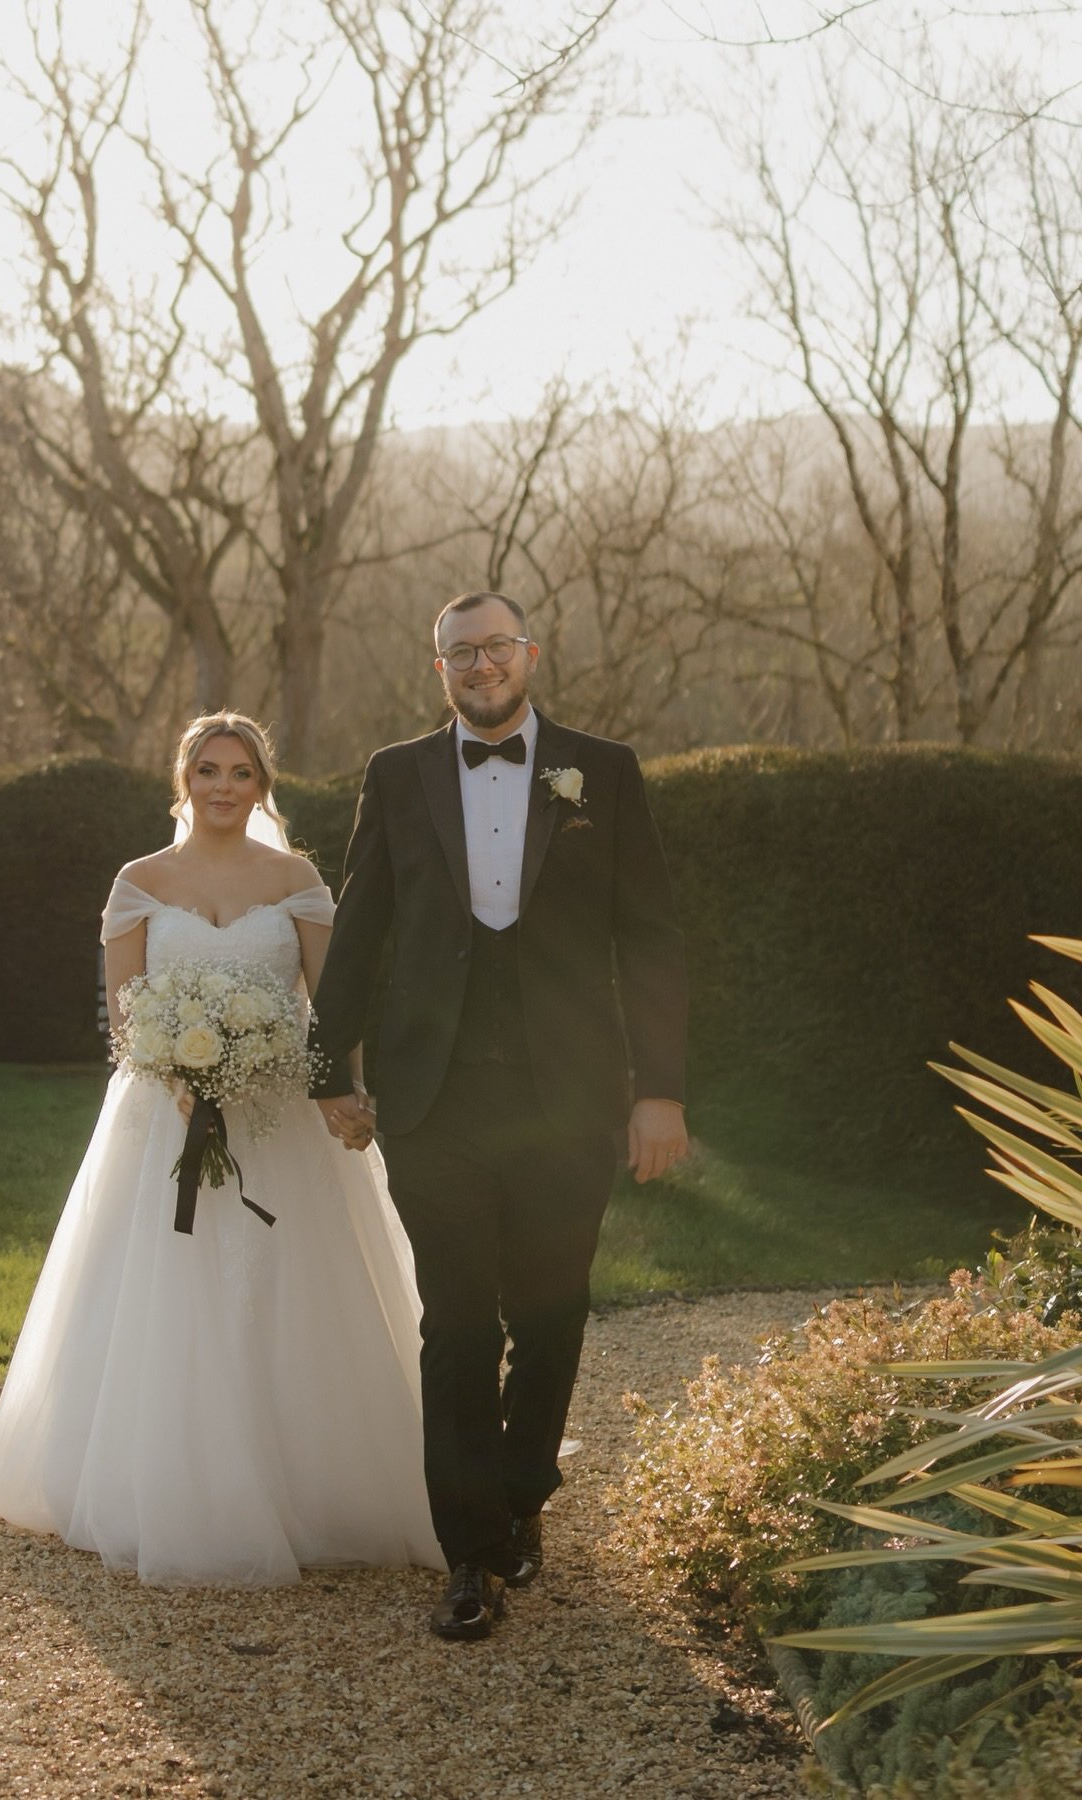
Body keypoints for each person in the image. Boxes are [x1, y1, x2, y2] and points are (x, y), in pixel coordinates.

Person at [0, 712, 443, 1585]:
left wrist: (338, 1089)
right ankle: (171, 1484)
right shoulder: (139, 881)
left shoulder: (296, 877)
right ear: (182, 780)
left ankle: (313, 1483)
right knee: (166, 1284)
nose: (224, 787)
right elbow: (124, 1012)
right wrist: (182, 1081)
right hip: (164, 1112)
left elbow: (329, 1003)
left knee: (293, 1284)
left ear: (263, 785)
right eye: (208, 771)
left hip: (278, 1118)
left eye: (242, 772)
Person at [311, 591, 688, 1641]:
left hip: (567, 1093)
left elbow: (649, 936)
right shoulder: (394, 776)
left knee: (553, 1311)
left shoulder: (599, 771)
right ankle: (471, 1554)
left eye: (496, 647)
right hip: (435, 1098)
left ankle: (523, 1489)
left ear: (529, 654)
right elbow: (362, 927)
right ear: (439, 669)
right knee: (459, 1326)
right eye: (459, 652)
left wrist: (660, 1089)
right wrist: (323, 1069)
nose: (480, 665)